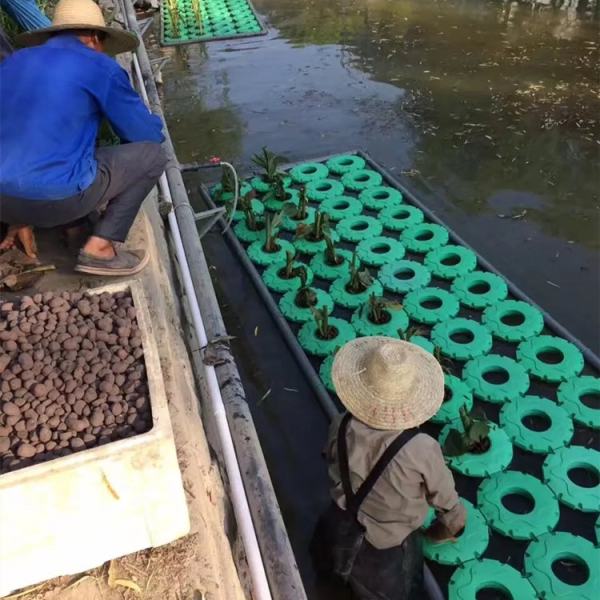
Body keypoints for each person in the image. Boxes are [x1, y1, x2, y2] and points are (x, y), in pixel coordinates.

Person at [0, 0, 166, 275]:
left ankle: (31, 220)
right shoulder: (100, 67)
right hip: (56, 197)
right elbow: (145, 135)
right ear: (93, 38)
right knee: (152, 157)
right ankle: (99, 248)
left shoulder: (15, 61)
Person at [312, 336, 466, 600]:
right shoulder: (421, 448)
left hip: (338, 527)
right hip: (387, 551)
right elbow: (447, 504)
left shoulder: (341, 423)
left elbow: (330, 457)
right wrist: (449, 529)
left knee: (329, 580)